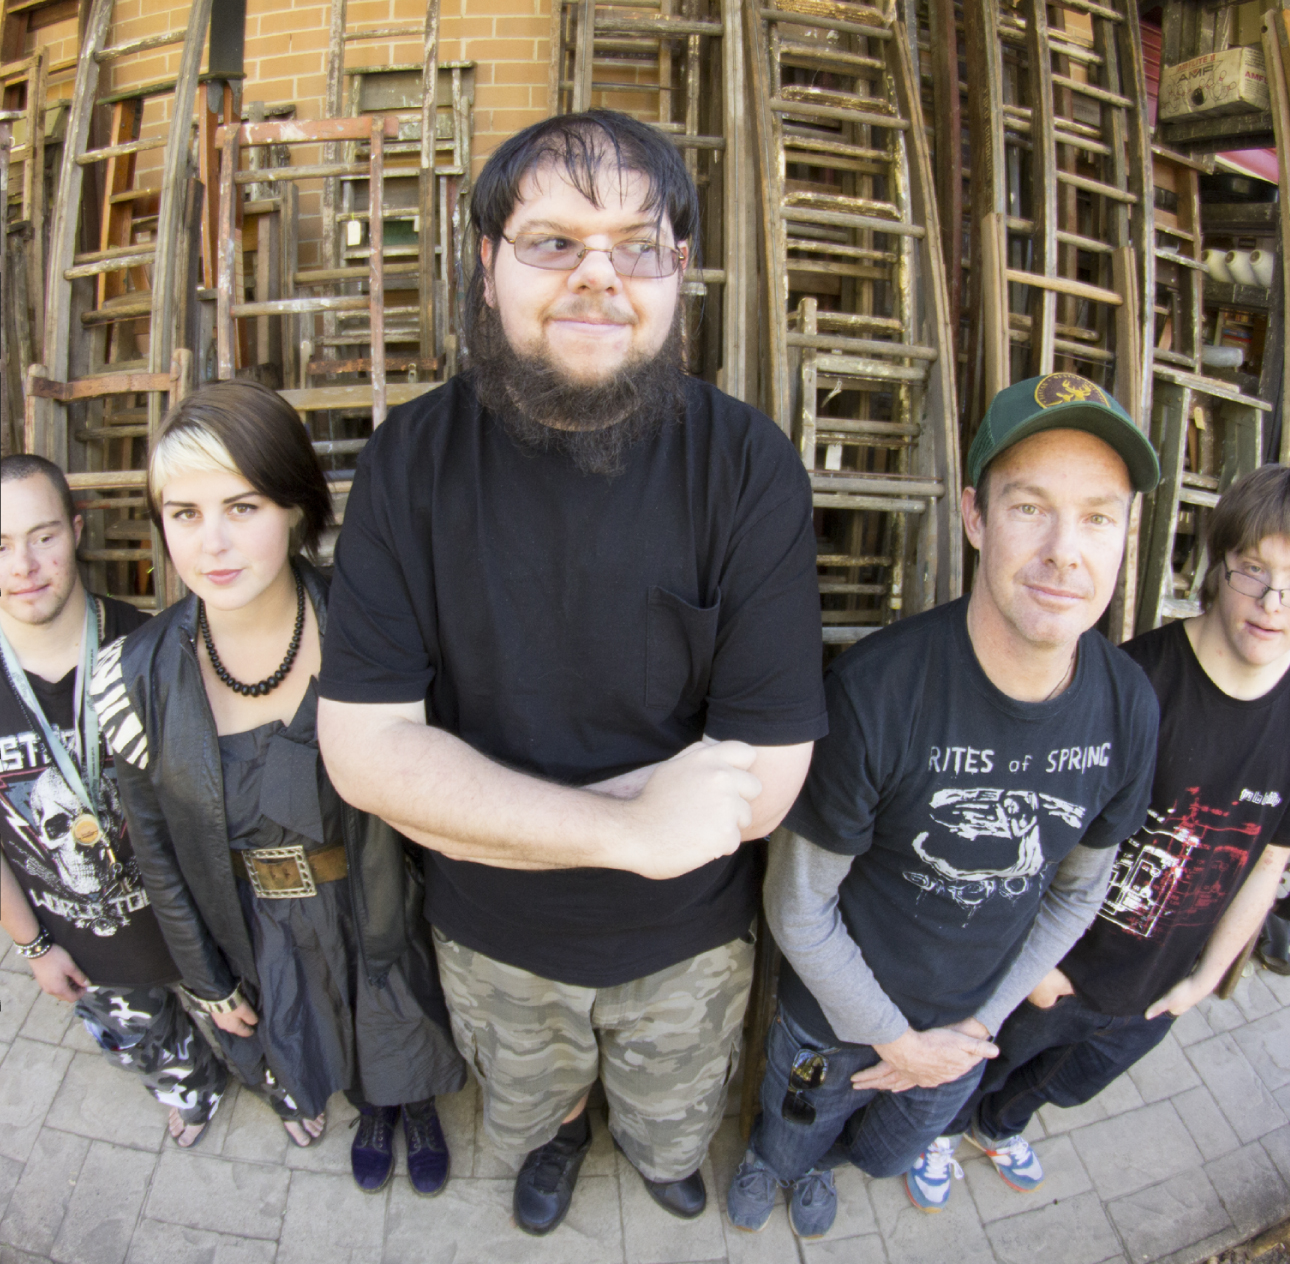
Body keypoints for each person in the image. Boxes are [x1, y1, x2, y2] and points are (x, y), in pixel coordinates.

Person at [314, 109, 827, 1235]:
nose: (599, 275)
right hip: (492, 938)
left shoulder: (747, 466)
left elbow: (769, 779)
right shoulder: (410, 462)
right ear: (487, 262)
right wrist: (635, 832)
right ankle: (554, 1143)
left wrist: (466, 810)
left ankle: (654, 1153)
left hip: (687, 941)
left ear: (677, 275)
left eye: (638, 246)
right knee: (534, 1095)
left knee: (673, 1109)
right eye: (553, 241)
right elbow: (365, 752)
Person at [727, 373, 1163, 1238]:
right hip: (835, 1018)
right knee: (792, 1127)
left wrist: (969, 1030)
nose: (1065, 551)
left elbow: (1079, 888)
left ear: (1128, 536)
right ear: (974, 516)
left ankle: (828, 1169)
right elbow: (798, 903)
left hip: (969, 1032)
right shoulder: (877, 694)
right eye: (1030, 507)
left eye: (1098, 516)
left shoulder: (1129, 708)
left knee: (886, 1152)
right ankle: (776, 1164)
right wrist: (894, 1040)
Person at [90, 382, 465, 1194]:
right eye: (184, 513)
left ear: (295, 507)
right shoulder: (136, 678)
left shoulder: (371, 630)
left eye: (243, 505)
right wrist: (206, 977)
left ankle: (412, 1100)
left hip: (376, 895)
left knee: (396, 1010)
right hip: (260, 920)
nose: (213, 543)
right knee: (315, 1027)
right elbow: (155, 850)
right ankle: (373, 1104)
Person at [931, 462, 1290, 1201]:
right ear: (1217, 566)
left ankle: (996, 1130)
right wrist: (1034, 964)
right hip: (1059, 967)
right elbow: (1041, 826)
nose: (1274, 602)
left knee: (1062, 1084)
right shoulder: (1134, 683)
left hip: (1157, 988)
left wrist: (1204, 979)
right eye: (1255, 570)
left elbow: (1266, 863)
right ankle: (937, 1132)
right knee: (981, 1061)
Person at [1, 454, 227, 1148]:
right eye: (0, 545)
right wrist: (33, 946)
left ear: (74, 531)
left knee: (253, 1024)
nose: (25, 566)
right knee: (144, 1041)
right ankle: (193, 1090)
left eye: (42, 535)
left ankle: (282, 1086)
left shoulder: (152, 649)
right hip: (84, 943)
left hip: (198, 925)